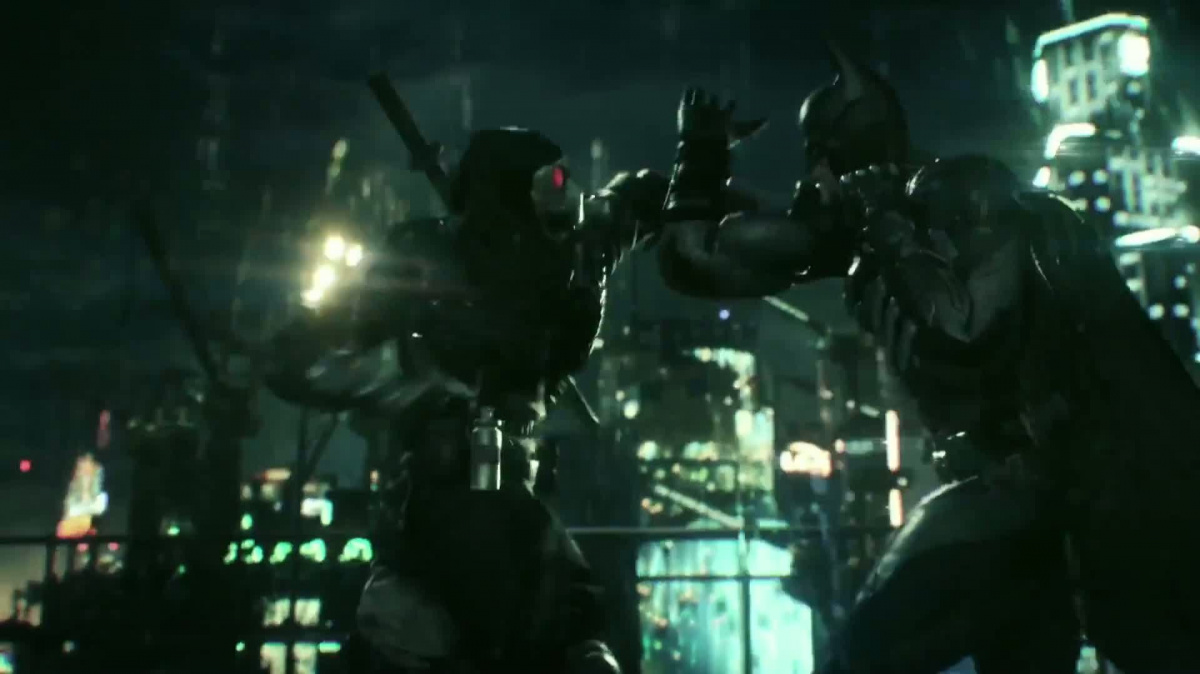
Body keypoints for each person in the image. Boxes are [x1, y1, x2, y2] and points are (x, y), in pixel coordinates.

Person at [655, 45, 1200, 674]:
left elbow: (964, 329)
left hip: (1056, 488)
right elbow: (695, 260)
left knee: (870, 651)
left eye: (825, 154)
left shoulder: (968, 202)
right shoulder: (861, 225)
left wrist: (891, 227)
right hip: (1013, 508)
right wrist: (700, 155)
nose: (815, 177)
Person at [264, 127, 672, 673]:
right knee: (423, 636)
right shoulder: (427, 257)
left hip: (510, 497)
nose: (563, 195)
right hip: (440, 502)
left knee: (566, 638)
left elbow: (641, 201)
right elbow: (299, 355)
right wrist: (407, 390)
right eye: (547, 182)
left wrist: (702, 160)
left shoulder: (574, 253)